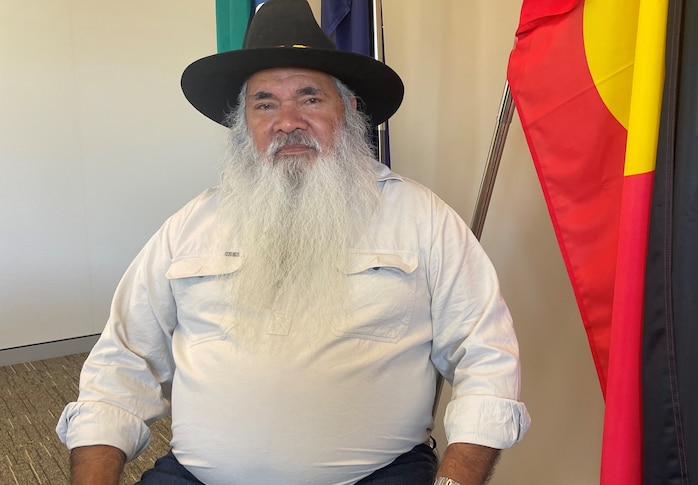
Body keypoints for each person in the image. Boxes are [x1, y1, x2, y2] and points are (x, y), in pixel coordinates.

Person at [56, 1, 530, 484]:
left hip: (375, 476)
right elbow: (121, 364)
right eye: (264, 103)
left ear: (349, 111)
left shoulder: (421, 218)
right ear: (244, 125)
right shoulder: (190, 226)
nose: (287, 121)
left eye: (310, 99)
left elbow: (487, 356)